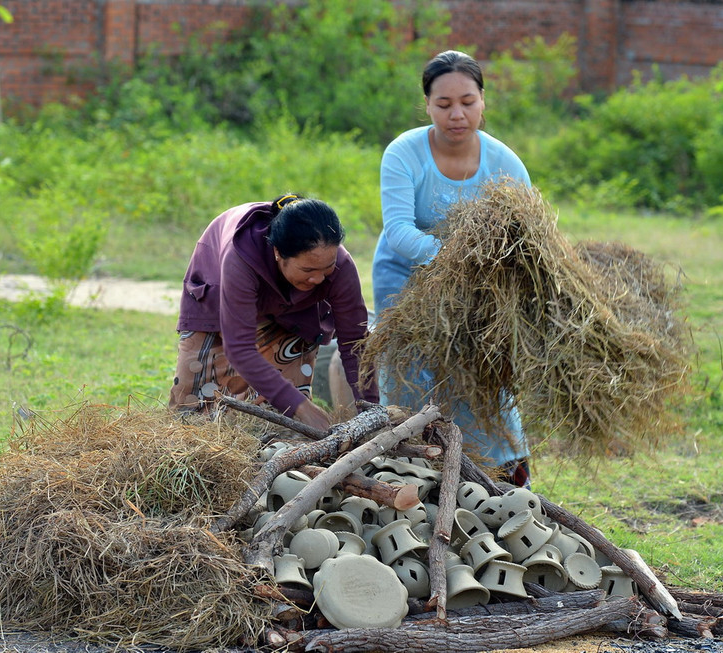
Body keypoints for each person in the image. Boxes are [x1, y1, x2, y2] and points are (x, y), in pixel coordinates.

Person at [372, 50, 532, 487]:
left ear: (483, 101)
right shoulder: (404, 153)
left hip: (480, 288)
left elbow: (524, 237)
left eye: (467, 102)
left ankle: (497, 481)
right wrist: (456, 258)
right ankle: (409, 475)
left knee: (482, 376)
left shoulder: (505, 164)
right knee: (411, 378)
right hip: (405, 280)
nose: (456, 114)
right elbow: (398, 230)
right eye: (443, 104)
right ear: (427, 105)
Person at [169, 194, 378, 431]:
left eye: (327, 268)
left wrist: (370, 411)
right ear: (278, 253)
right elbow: (239, 347)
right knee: (194, 410)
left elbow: (355, 342)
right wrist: (301, 406)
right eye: (308, 270)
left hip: (295, 310)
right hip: (219, 297)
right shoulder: (241, 257)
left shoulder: (342, 266)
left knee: (283, 421)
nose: (319, 278)